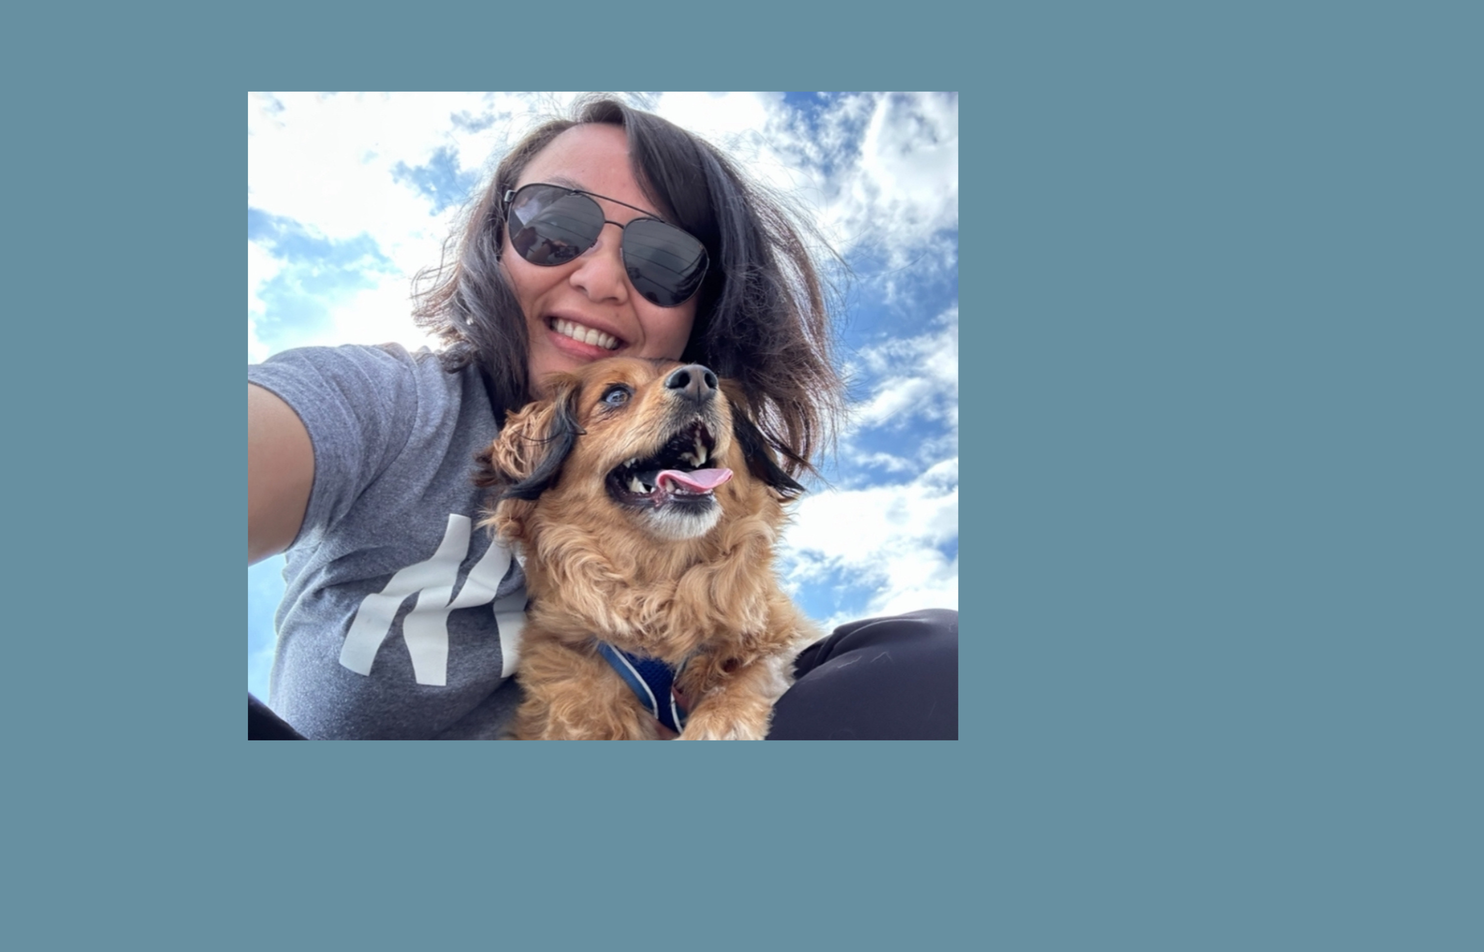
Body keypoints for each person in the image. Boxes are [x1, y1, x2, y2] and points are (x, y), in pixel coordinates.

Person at [247, 96, 958, 740]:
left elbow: (765, 639)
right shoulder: (386, 403)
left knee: (935, 660)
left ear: (702, 307)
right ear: (495, 241)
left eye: (665, 260)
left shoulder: (712, 483)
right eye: (554, 225)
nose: (600, 279)